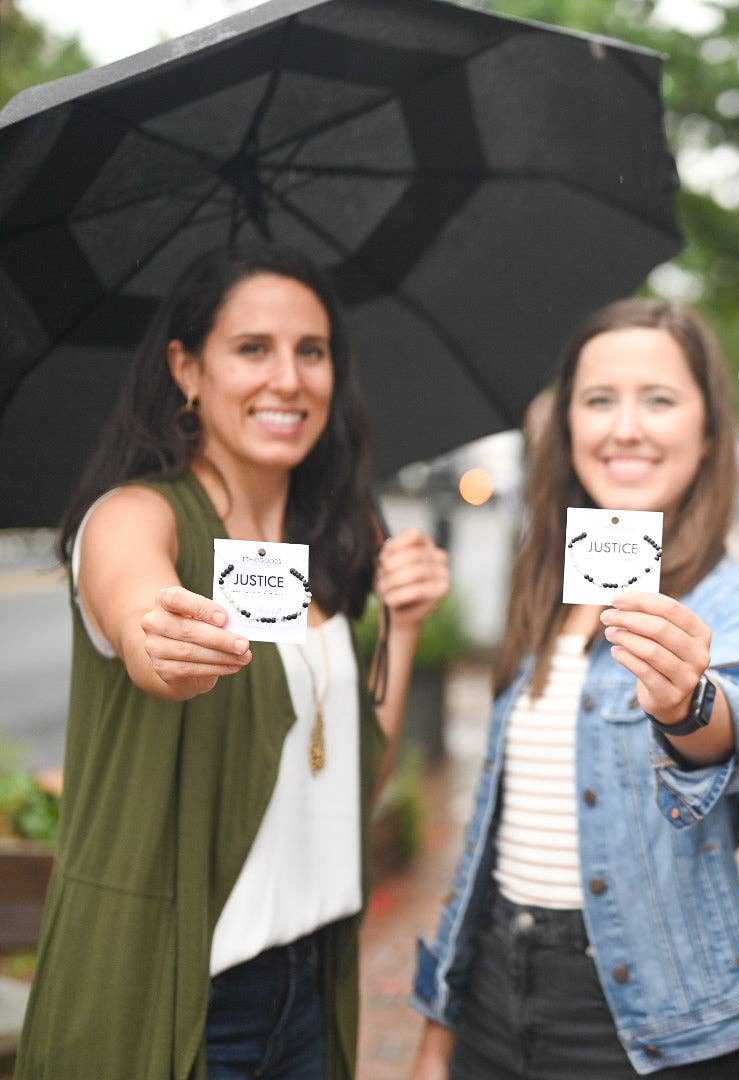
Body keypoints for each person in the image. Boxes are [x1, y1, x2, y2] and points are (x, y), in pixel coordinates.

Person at [17, 244, 450, 1080]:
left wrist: (401, 627)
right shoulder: (139, 515)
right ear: (187, 368)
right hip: (182, 997)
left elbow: (352, 778)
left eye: (311, 351)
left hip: (312, 989)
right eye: (253, 348)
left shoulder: (323, 544)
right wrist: (154, 637)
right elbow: (134, 598)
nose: (287, 378)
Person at [408, 298, 739, 1080]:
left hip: (656, 1023)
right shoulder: (543, 593)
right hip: (492, 999)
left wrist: (687, 700)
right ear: (567, 426)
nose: (626, 427)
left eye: (658, 399)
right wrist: (439, 1030)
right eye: (598, 400)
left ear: (710, 431)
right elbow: (494, 832)